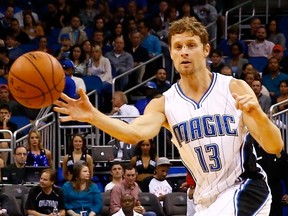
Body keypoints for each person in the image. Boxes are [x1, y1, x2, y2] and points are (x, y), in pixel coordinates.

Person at [54, 17, 283, 215]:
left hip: (244, 188)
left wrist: (259, 116)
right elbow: (134, 133)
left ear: (205, 50)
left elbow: (274, 146)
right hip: (205, 199)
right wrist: (93, 116)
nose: (184, 51)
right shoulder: (164, 103)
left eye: (191, 45)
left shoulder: (234, 88)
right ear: (171, 53)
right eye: (178, 46)